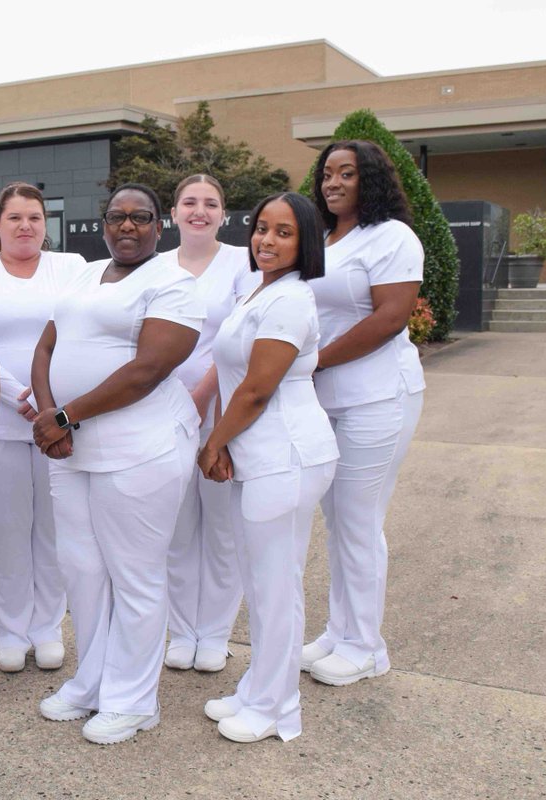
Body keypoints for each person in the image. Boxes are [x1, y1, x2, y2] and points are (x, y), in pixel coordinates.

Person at [30, 183, 204, 745]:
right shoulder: (84, 274)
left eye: (141, 217)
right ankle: (92, 681)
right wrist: (48, 414)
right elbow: (46, 348)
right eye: (116, 217)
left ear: (161, 225)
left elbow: (147, 370)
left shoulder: (174, 283)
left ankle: (133, 700)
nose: (127, 227)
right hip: (72, 449)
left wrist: (66, 416)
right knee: (81, 569)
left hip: (140, 448)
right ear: (103, 223)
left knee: (136, 576)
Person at [198, 192, 338, 743]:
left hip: (287, 454)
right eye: (261, 229)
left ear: (306, 242)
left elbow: (256, 390)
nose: (267, 240)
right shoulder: (262, 290)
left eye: (284, 233)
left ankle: (277, 706)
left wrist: (214, 443)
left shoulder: (290, 300)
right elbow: (240, 384)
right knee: (261, 583)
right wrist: (229, 443)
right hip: (261, 454)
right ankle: (260, 687)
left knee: (275, 584)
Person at [302, 140, 425, 686]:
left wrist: (313, 363)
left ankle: (367, 647)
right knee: (338, 522)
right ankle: (341, 630)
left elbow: (390, 318)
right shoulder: (324, 239)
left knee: (359, 521)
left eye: (346, 174)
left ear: (368, 180)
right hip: (325, 398)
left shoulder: (392, 237)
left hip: (377, 397)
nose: (333, 183)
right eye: (327, 173)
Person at [0, 182, 87, 674]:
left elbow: (81, 329)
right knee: (8, 532)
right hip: (2, 421)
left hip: (61, 419)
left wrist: (52, 404)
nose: (25, 225)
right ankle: (11, 631)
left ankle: (48, 628)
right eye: (14, 217)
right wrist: (21, 395)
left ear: (45, 223)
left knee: (53, 530)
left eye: (34, 216)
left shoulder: (71, 268)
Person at [157, 175, 260, 674]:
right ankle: (182, 631)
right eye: (189, 203)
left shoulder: (243, 263)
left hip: (221, 410)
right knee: (175, 526)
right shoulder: (154, 266)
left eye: (211, 203)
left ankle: (215, 632)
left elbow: (239, 338)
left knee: (221, 525)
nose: (199, 211)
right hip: (158, 412)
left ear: (224, 214)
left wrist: (200, 397)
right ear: (173, 213)